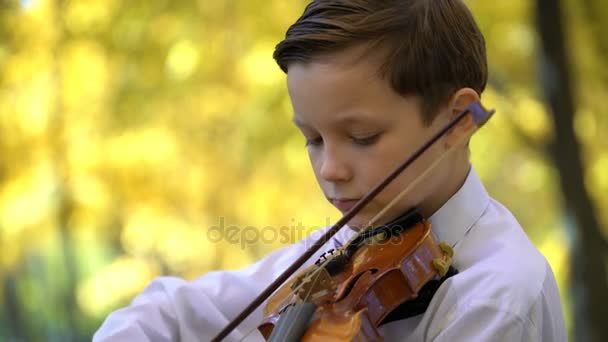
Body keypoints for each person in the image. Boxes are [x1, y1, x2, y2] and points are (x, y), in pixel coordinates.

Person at [94, 0, 566, 341]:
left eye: (362, 137)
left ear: (457, 121)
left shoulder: (497, 298)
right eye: (312, 139)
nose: (330, 169)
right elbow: (171, 310)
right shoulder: (350, 254)